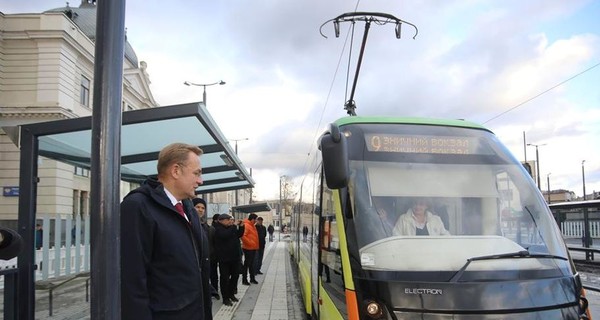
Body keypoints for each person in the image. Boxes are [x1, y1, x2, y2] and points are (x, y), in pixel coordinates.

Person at [120, 143, 212, 320]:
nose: (201, 181)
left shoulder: (188, 208)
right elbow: (131, 281)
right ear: (176, 171)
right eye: (197, 173)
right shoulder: (138, 207)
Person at [213, 213, 244, 306]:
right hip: (224, 259)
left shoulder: (231, 228)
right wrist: (233, 226)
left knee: (235, 277)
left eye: (230, 219)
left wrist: (241, 227)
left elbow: (239, 235)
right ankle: (225, 298)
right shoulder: (218, 228)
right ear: (221, 220)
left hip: (234, 257)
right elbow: (225, 235)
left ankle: (231, 294)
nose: (229, 221)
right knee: (225, 279)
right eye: (227, 219)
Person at [193, 198, 220, 300]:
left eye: (203, 208)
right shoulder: (187, 224)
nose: (200, 210)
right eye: (197, 207)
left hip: (207, 260)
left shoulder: (207, 227)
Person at [241, 213, 259, 285]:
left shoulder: (252, 226)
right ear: (252, 219)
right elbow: (243, 236)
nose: (256, 221)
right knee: (247, 264)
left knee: (251, 264)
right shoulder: (247, 225)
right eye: (256, 219)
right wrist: (250, 243)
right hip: (248, 248)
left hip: (252, 248)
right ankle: (244, 280)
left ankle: (252, 278)